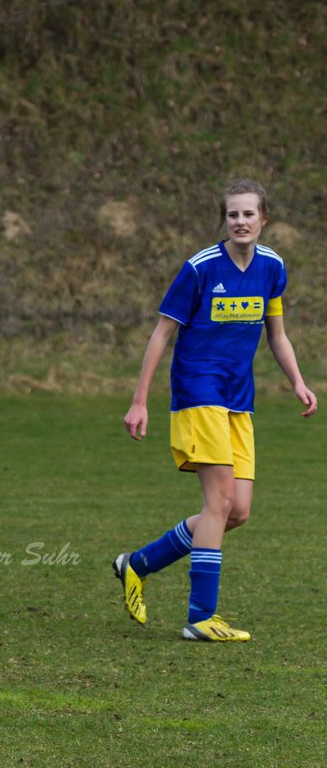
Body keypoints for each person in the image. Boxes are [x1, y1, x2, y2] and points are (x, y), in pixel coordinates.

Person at [114, 180, 315, 641]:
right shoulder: (200, 268)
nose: (240, 222)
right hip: (197, 392)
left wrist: (298, 382)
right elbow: (162, 333)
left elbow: (277, 333)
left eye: (248, 214)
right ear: (223, 220)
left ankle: (136, 564)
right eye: (232, 215)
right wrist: (140, 400)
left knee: (236, 511)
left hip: (238, 399)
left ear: (264, 219)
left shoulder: (272, 268)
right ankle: (201, 616)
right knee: (219, 501)